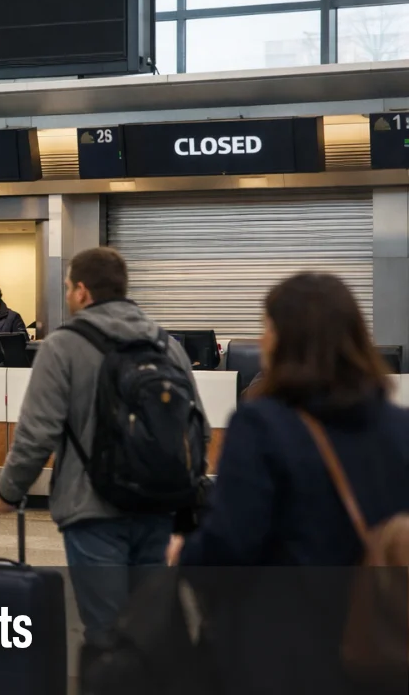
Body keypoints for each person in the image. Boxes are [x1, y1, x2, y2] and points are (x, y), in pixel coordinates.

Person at [171, 273, 409, 695]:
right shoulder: (399, 427)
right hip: (380, 644)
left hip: (282, 654)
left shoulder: (261, 425)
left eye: (267, 328)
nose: (262, 340)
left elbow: (230, 548)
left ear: (284, 339)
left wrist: (185, 554)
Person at [0, 247, 207, 644]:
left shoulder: (63, 345)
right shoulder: (167, 345)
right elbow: (197, 429)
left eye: (69, 287)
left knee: (107, 634)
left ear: (83, 291)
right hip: (159, 508)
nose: (69, 295)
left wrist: (7, 492)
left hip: (93, 510)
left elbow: (37, 434)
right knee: (153, 632)